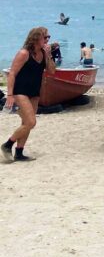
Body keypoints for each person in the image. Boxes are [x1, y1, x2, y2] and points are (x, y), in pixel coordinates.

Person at [3, 27, 56, 162]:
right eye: (45, 37)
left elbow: (52, 71)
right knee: (31, 122)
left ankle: (19, 153)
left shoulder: (44, 54)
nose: (47, 40)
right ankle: (8, 144)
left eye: (48, 37)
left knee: (26, 122)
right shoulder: (24, 53)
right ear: (36, 38)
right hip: (20, 91)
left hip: (34, 92)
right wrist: (9, 95)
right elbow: (12, 73)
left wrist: (49, 54)